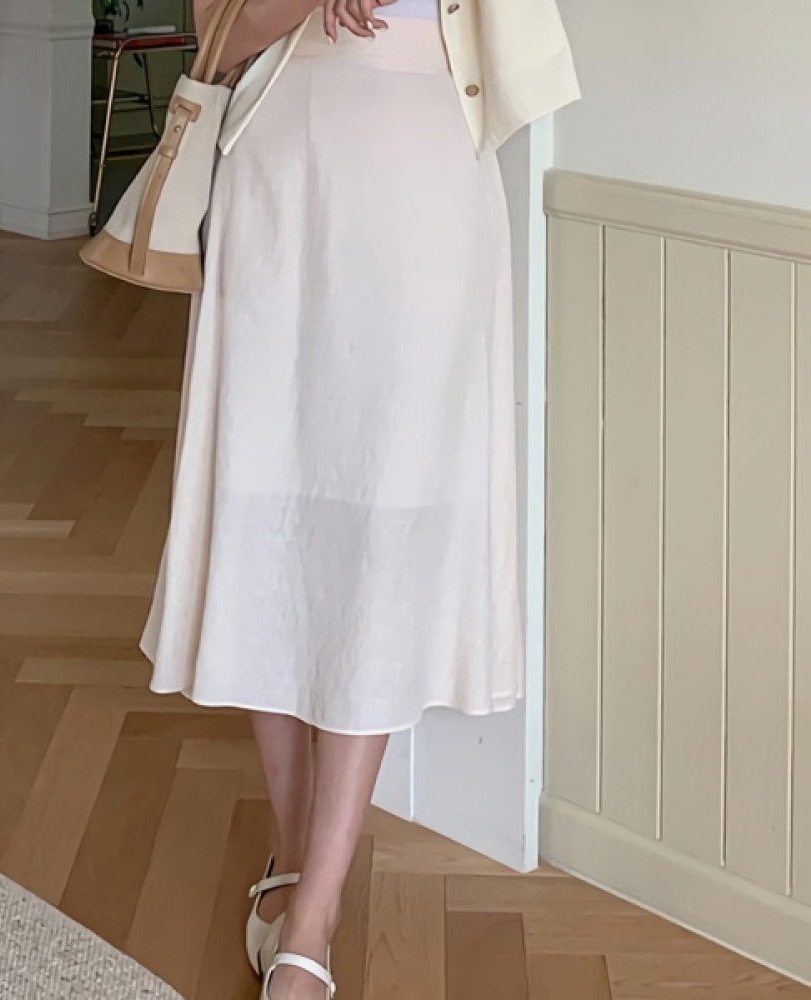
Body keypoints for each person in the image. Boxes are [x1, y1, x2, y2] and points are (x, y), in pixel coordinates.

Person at [141, 0, 579, 995]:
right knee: (261, 515)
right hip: (276, 187)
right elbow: (220, 31)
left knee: (386, 531)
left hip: (427, 185)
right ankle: (300, 855)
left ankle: (316, 912)